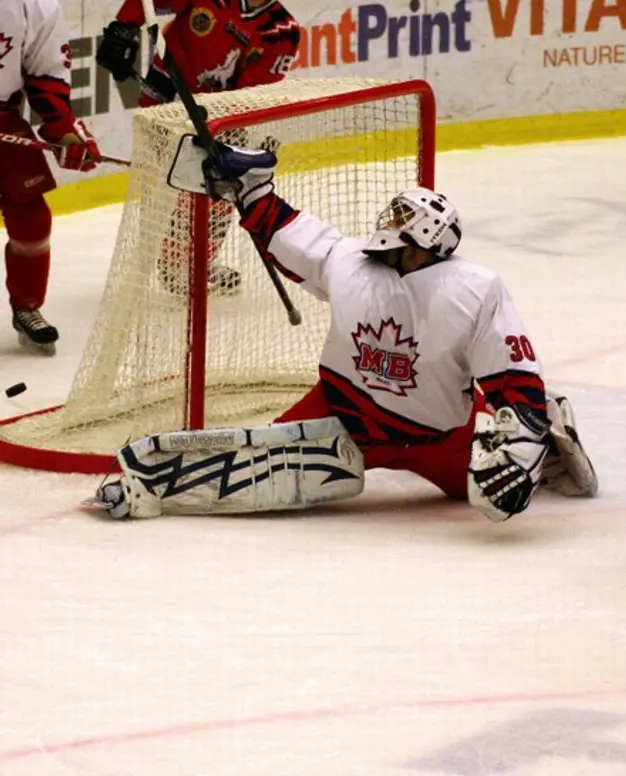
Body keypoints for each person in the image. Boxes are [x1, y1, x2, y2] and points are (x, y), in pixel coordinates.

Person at [88, 140, 598, 523]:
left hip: (436, 435)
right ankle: (148, 488)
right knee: (250, 462)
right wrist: (248, 188)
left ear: (424, 238)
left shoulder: (474, 290)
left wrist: (525, 441)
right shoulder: (351, 261)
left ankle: (553, 435)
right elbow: (287, 233)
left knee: (477, 486)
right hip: (340, 413)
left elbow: (511, 372)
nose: (388, 221)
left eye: (402, 217)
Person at [96, 0, 300, 295]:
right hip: (167, 93)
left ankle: (193, 263)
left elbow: (252, 90)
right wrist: (122, 30)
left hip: (220, 111)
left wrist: (224, 123)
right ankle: (160, 261)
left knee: (224, 188)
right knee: (167, 183)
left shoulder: (281, 30)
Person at [0, 0, 102, 353]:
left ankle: (26, 305)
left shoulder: (36, 5)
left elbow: (47, 78)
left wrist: (63, 131)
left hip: (3, 118)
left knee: (32, 220)